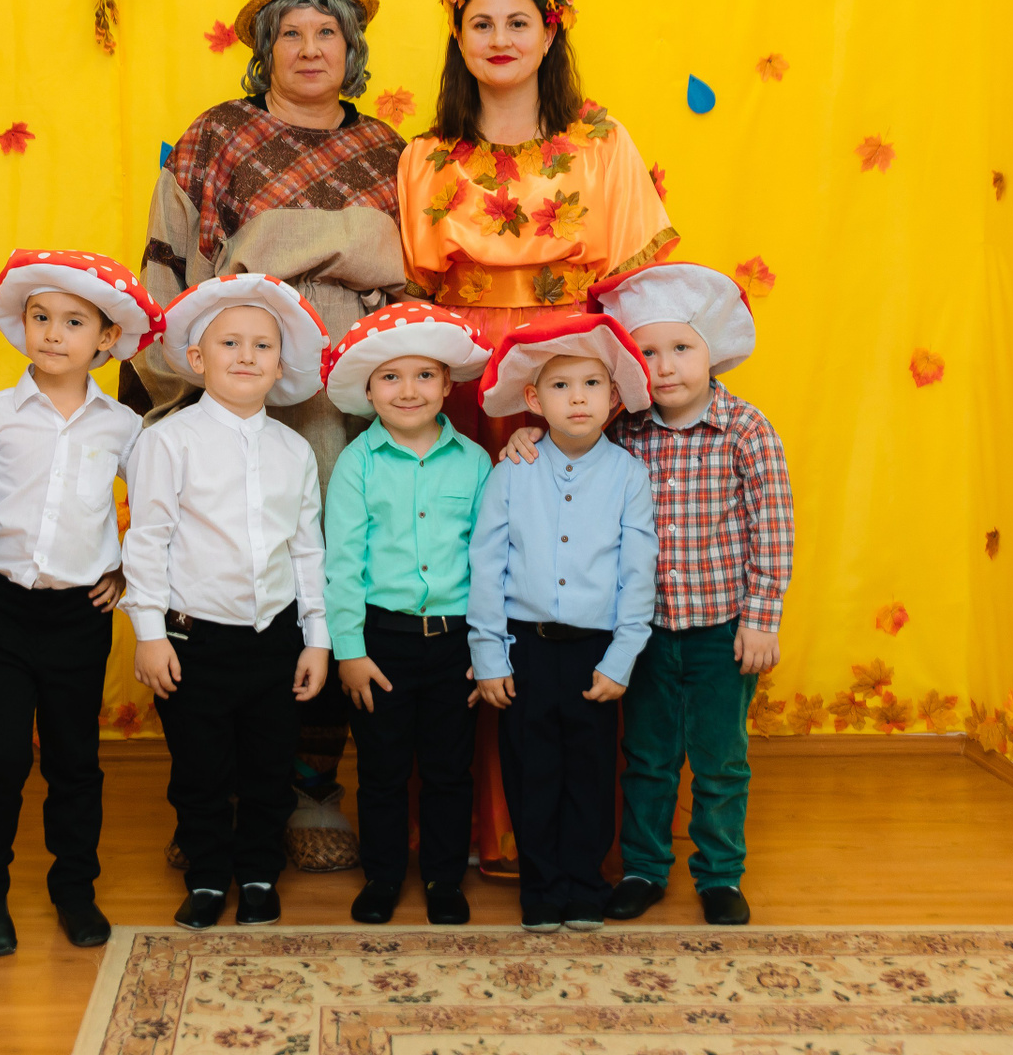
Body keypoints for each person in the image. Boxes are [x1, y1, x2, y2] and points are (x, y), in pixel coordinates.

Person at [126, 0, 408, 872]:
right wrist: (173, 391)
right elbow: (170, 260)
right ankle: (220, 795)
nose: (311, 48)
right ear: (264, 49)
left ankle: (311, 785)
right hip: (235, 378)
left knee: (324, 566)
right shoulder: (214, 136)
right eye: (291, 32)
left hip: (347, 395)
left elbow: (412, 272)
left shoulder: (389, 151)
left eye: (330, 31)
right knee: (222, 561)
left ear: (353, 48)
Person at [397, 0, 677, 874]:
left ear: (551, 33)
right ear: (458, 36)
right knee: (464, 576)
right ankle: (463, 823)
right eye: (481, 22)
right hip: (464, 383)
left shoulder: (601, 142)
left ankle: (568, 832)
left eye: (520, 21)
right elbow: (413, 295)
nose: (501, 37)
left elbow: (635, 286)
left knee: (573, 577)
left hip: (571, 376)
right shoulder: (425, 156)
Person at [0, 250, 164, 957]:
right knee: (0, 759)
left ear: (106, 339)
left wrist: (123, 574)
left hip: (77, 620)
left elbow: (152, 515)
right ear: (23, 324)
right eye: (41, 317)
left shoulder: (123, 427)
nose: (53, 333)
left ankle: (75, 890)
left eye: (73, 322)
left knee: (74, 761)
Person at [120, 273, 333, 931]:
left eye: (262, 345)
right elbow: (147, 540)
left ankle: (260, 873)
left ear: (281, 364)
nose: (246, 355)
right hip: (194, 641)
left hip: (274, 639)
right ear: (197, 357)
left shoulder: (294, 450)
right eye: (229, 343)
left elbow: (307, 550)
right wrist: (150, 632)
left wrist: (317, 638)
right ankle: (209, 875)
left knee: (269, 766)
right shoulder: (167, 440)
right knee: (201, 768)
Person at [589, 262, 793, 926]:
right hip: (643, 631)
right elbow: (575, 471)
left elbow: (772, 529)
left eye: (681, 347)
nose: (666, 366)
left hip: (721, 629)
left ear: (712, 351)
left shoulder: (746, 431)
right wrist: (531, 439)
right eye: (648, 352)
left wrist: (761, 620)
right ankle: (644, 868)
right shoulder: (623, 431)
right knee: (646, 757)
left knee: (720, 759)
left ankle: (720, 874)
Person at [467, 313, 657, 932]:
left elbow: (637, 572)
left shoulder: (629, 476)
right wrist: (489, 655)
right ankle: (542, 886)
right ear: (533, 399)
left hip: (595, 652)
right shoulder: (510, 472)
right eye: (560, 385)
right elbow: (486, 567)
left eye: (592, 384)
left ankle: (583, 883)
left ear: (614, 396)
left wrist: (622, 658)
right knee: (533, 771)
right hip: (525, 647)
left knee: (591, 773)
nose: (578, 398)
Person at [318, 303, 493, 926]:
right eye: (390, 377)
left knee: (449, 769)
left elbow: (490, 560)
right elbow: (342, 563)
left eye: (424, 375)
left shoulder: (475, 462)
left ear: (447, 385)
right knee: (383, 769)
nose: (409, 390)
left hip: (455, 642)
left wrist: (486, 650)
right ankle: (384, 876)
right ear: (368, 391)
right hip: (381, 641)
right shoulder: (356, 464)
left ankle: (445, 878)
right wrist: (349, 651)